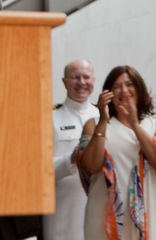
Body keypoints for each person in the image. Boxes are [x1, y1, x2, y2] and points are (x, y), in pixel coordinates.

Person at [79, 65, 156, 240]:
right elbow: (90, 166)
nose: (124, 91)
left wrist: (135, 124)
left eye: (129, 84)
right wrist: (103, 121)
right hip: (104, 218)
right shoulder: (94, 125)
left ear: (139, 89)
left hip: (149, 215)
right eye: (116, 86)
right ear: (108, 93)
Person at [44, 59, 98, 240]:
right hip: (64, 213)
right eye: (75, 77)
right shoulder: (49, 118)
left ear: (94, 80)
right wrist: (71, 158)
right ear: (64, 81)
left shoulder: (103, 117)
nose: (82, 83)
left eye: (86, 77)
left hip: (101, 207)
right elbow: (40, 169)